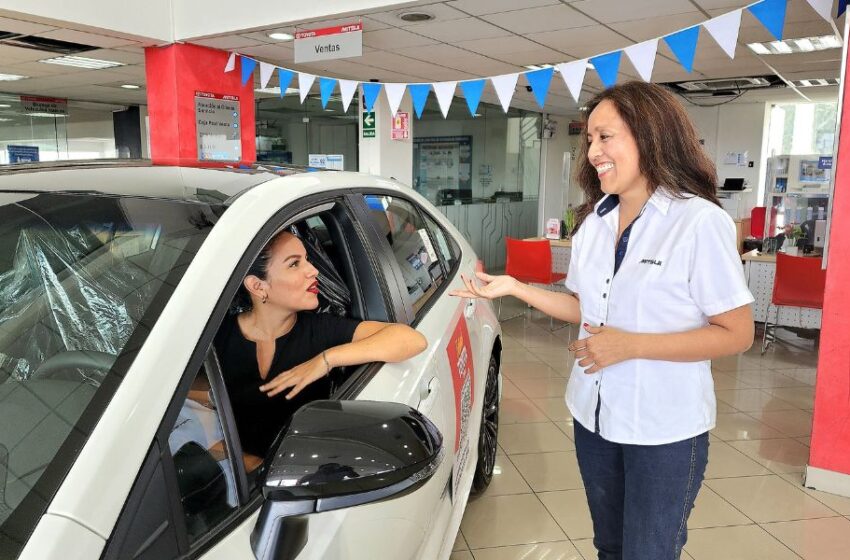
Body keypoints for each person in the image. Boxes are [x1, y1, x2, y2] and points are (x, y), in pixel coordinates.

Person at [451, 81, 754, 560]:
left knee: (649, 552)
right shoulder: (593, 222)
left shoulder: (699, 222)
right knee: (609, 547)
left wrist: (630, 346)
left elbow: (737, 333)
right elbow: (585, 309)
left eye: (605, 137)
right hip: (593, 417)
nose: (592, 151)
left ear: (649, 136)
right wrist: (515, 287)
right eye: (589, 140)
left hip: (664, 429)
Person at [215, 229, 427, 460]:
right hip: (229, 480)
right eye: (294, 264)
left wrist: (325, 360)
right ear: (258, 286)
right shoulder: (217, 338)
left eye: (307, 259)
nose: (313, 270)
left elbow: (411, 340)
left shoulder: (321, 330)